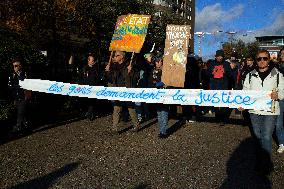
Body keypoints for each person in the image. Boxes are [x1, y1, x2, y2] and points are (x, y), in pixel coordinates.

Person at [242, 49, 284, 173]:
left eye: (264, 58)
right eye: (259, 58)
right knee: (257, 136)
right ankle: (259, 161)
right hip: (254, 111)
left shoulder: (277, 74)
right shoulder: (250, 75)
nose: (262, 61)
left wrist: (278, 95)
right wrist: (241, 104)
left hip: (271, 111)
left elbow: (283, 91)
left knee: (266, 136)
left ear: (269, 59)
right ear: (256, 61)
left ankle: (265, 166)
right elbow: (245, 92)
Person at [105, 51, 140, 133]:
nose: (115, 57)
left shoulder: (130, 64)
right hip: (117, 90)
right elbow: (110, 79)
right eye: (114, 55)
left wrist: (131, 71)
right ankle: (114, 128)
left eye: (117, 55)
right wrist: (107, 71)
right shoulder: (114, 66)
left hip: (127, 90)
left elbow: (136, 77)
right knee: (116, 108)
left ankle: (136, 125)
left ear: (122, 57)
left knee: (131, 108)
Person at [207, 50, 232, 125]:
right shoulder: (212, 63)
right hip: (214, 86)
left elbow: (230, 75)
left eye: (221, 56)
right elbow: (207, 74)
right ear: (216, 56)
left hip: (224, 86)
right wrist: (212, 72)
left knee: (223, 103)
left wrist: (225, 71)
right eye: (218, 56)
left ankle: (223, 119)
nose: (220, 58)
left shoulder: (226, 64)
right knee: (215, 102)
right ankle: (217, 117)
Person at [8, 58, 32, 133]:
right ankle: (27, 126)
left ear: (20, 66)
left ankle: (18, 126)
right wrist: (17, 86)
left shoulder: (25, 73)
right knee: (22, 112)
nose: (15, 67)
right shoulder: (12, 75)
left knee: (20, 112)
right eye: (14, 66)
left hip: (24, 96)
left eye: (16, 66)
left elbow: (28, 83)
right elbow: (9, 86)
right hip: (16, 97)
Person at [150, 54, 169, 138]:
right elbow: (150, 81)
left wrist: (159, 83)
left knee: (164, 112)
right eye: (156, 61)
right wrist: (156, 84)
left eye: (160, 61)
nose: (158, 63)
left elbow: (167, 81)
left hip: (164, 94)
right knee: (159, 112)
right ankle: (161, 130)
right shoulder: (153, 71)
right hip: (156, 94)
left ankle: (163, 132)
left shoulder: (166, 71)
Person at [81, 53, 101, 121]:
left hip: (94, 88)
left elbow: (98, 78)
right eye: (91, 60)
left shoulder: (96, 69)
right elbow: (82, 78)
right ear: (88, 60)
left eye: (93, 60)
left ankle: (90, 114)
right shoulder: (84, 68)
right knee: (87, 101)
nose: (93, 62)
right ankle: (88, 113)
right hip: (86, 88)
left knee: (92, 101)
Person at [275, 48, 284, 153]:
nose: (282, 55)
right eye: (281, 53)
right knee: (278, 123)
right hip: (280, 97)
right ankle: (282, 143)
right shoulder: (276, 67)